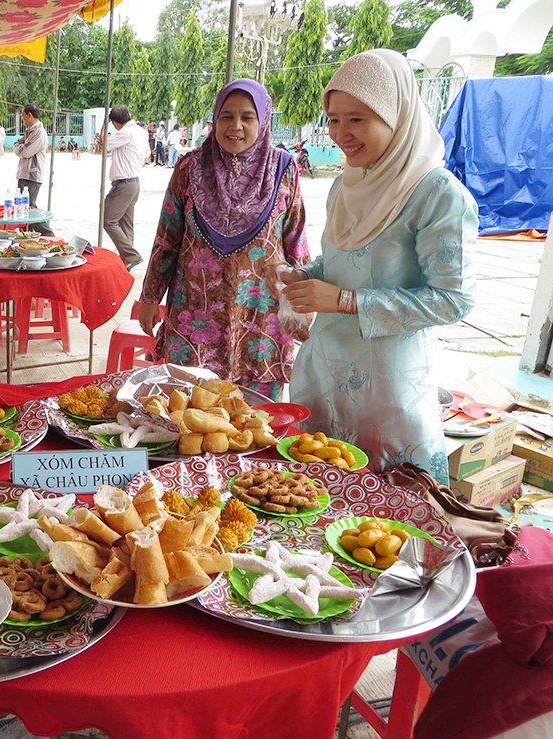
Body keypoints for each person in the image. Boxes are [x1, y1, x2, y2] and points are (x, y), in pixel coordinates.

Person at [283, 49, 476, 482]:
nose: (341, 133)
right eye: (333, 119)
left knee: (385, 528)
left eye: (357, 119)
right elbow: (341, 262)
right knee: (313, 509)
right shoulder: (345, 186)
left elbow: (453, 300)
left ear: (398, 115)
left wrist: (347, 301)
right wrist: (303, 277)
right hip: (325, 376)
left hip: (388, 393)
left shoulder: (437, 195)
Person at [138, 79, 309, 401]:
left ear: (263, 120)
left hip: (261, 315)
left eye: (248, 116)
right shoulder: (189, 167)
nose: (236, 126)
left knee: (255, 421)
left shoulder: (284, 169)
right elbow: (167, 237)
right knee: (189, 413)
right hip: (195, 310)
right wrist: (149, 299)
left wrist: (302, 303)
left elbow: (296, 238)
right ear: (214, 119)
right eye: (226, 116)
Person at [102, 104, 150, 271]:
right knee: (126, 223)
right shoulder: (141, 132)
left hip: (124, 184)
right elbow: (146, 156)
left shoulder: (125, 133)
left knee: (108, 220)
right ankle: (127, 260)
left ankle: (131, 255)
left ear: (114, 123)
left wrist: (104, 124)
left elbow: (103, 143)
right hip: (134, 181)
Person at [14, 104, 54, 236]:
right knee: (22, 210)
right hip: (24, 174)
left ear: (29, 115)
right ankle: (26, 238)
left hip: (32, 176)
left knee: (30, 210)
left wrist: (20, 146)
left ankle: (49, 235)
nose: (22, 119)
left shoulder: (38, 132)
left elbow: (24, 151)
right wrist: (19, 146)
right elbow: (18, 146)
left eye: (23, 116)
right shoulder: (29, 131)